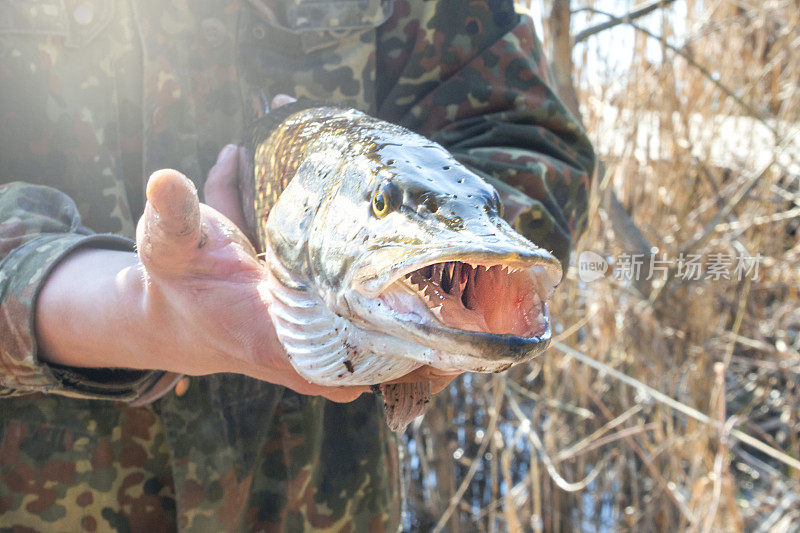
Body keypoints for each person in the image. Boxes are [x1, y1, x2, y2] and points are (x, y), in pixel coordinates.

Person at [0, 0, 595, 530]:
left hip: (327, 502)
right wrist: (122, 311)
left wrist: (456, 281)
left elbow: (526, 135)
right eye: (383, 204)